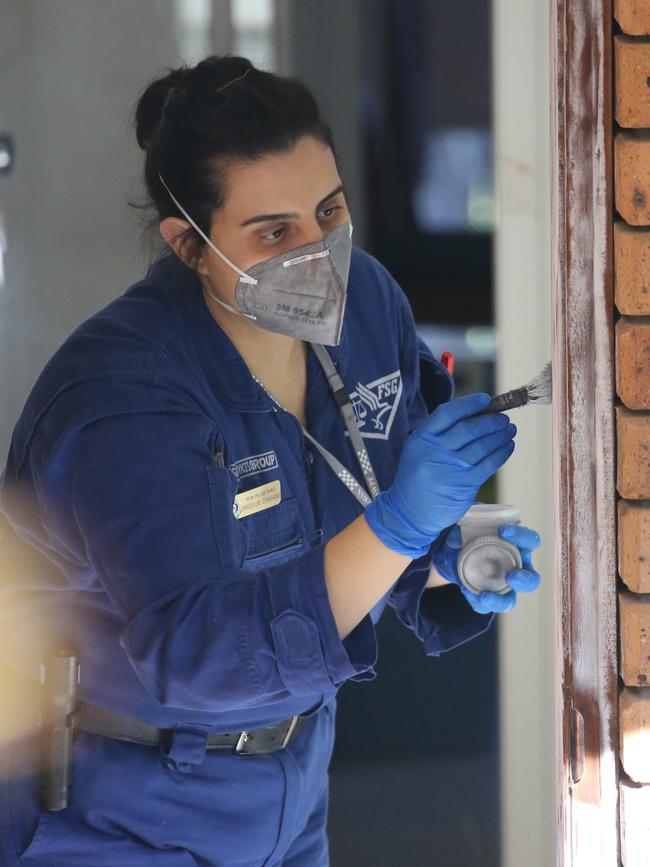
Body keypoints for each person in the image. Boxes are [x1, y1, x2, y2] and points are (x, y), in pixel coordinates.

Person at [0, 55, 540, 867]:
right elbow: (199, 654)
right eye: (276, 231)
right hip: (118, 806)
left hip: (293, 787)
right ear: (189, 245)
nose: (320, 253)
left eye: (329, 209)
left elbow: (367, 519)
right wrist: (401, 524)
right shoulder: (121, 396)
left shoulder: (367, 308)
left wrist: (448, 556)